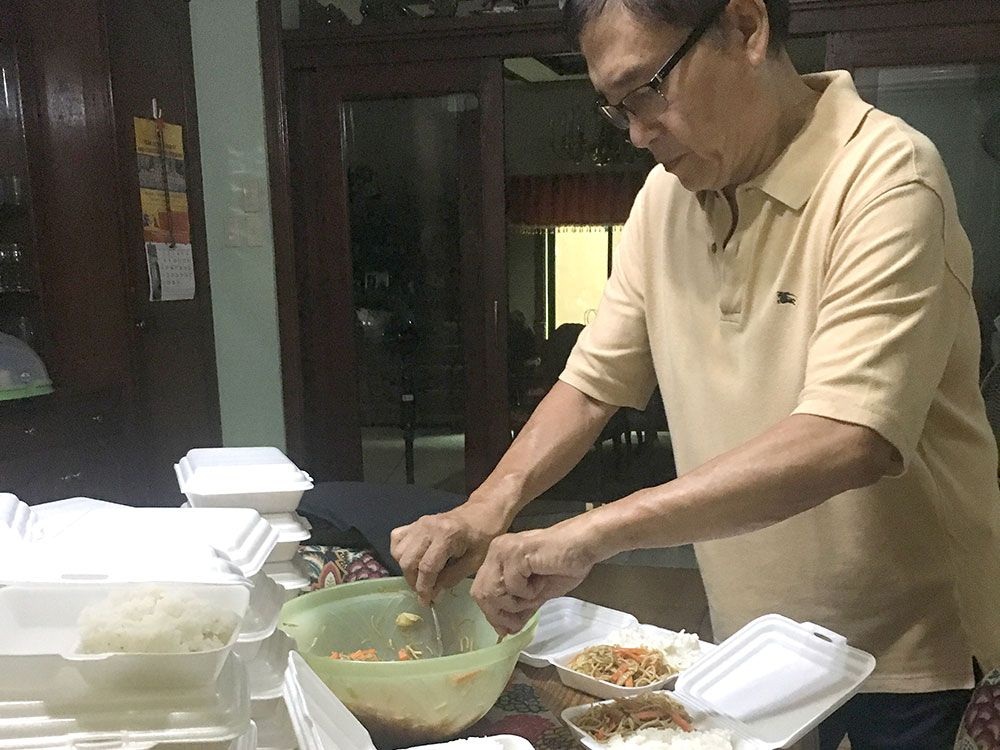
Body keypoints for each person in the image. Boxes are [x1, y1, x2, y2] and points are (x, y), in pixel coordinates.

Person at [390, 0, 1000, 745]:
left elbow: (850, 435)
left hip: (909, 650)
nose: (640, 133)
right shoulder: (663, 201)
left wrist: (593, 533)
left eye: (648, 89)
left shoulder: (886, 177)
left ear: (745, 28)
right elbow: (592, 384)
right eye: (618, 110)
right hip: (752, 638)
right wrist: (484, 509)